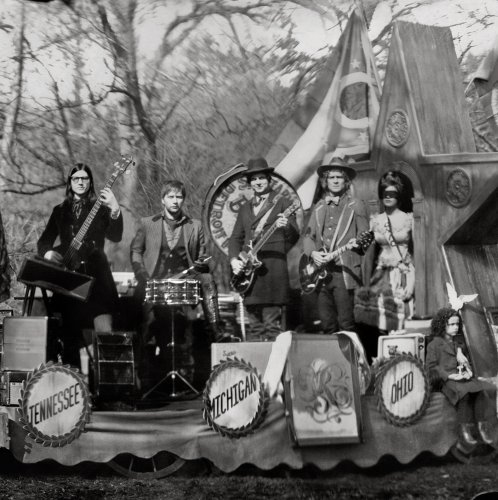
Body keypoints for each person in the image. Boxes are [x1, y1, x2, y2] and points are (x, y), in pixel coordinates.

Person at [130, 180, 224, 384]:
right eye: (170, 197)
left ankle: (216, 329)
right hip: (154, 280)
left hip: (185, 278)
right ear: (162, 200)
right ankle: (139, 373)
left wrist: (201, 263)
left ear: (183, 200)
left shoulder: (195, 225)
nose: (175, 201)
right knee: (144, 323)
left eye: (179, 197)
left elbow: (202, 255)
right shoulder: (147, 223)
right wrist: (141, 273)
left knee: (207, 279)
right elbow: (136, 251)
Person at [38, 162, 123, 367]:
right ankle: (74, 383)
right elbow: (44, 241)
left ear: (90, 182)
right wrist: (48, 253)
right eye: (76, 179)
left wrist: (114, 208)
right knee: (68, 337)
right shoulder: (59, 211)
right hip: (69, 282)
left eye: (85, 178)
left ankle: (107, 384)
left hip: (98, 281)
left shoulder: (102, 209)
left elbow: (115, 236)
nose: (80, 182)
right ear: (70, 182)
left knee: (105, 332)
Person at [229, 157, 299, 340]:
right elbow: (235, 238)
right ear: (250, 183)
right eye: (254, 179)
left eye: (261, 178)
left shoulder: (282, 202)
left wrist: (286, 226)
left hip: (273, 273)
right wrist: (234, 260)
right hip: (249, 276)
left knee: (272, 327)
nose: (258, 182)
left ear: (269, 179)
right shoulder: (245, 208)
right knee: (255, 329)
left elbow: (294, 237)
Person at [302, 155, 368, 334]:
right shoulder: (319, 206)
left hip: (344, 272)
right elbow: (308, 237)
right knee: (327, 324)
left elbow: (365, 237)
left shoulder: (356, 205)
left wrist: (357, 243)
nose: (336, 181)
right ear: (326, 181)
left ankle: (350, 353)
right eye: (332, 177)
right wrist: (313, 253)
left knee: (346, 324)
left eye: (339, 177)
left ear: (346, 181)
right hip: (320, 274)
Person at [426, 308, 497, 449]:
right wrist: (450, 375)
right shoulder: (434, 345)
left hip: (461, 378)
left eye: (457, 324)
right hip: (446, 381)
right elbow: (432, 367)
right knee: (464, 394)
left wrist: (468, 371)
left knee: (482, 389)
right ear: (442, 325)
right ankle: (463, 428)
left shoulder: (458, 344)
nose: (455, 327)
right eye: (451, 324)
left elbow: (466, 363)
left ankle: (482, 426)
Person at [354, 171, 414, 333]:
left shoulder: (408, 219)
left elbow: (416, 250)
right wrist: (366, 281)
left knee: (400, 319)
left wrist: (412, 277)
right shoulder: (376, 220)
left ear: (398, 196)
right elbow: (369, 253)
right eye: (384, 193)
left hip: (401, 271)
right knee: (380, 319)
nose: (387, 197)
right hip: (381, 273)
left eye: (392, 194)